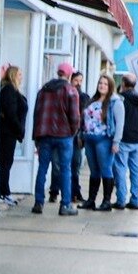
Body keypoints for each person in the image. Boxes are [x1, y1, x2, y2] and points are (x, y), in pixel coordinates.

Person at [31, 61, 82, 216]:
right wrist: (73, 132)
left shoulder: (44, 90)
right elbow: (75, 117)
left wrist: (37, 137)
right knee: (66, 169)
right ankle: (65, 204)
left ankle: (38, 202)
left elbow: (37, 114)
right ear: (69, 75)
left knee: (42, 168)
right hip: (64, 135)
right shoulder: (70, 91)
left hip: (45, 135)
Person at [80, 73, 120, 211]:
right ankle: (91, 200)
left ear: (110, 87)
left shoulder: (115, 102)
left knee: (105, 169)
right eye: (100, 83)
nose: (102, 86)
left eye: (105, 84)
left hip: (104, 140)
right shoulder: (92, 100)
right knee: (94, 170)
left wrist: (116, 142)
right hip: (89, 139)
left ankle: (106, 201)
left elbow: (120, 124)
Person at [112, 73, 138, 210]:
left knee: (120, 169)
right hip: (137, 139)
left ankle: (121, 199)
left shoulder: (121, 100)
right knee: (136, 171)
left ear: (123, 83)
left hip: (123, 139)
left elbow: (115, 119)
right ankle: (135, 200)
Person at [49, 69, 88, 203]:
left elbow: (84, 119)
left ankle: (74, 193)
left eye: (80, 81)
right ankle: (54, 190)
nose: (78, 83)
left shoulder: (84, 97)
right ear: (70, 80)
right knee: (57, 165)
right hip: (62, 134)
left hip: (76, 136)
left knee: (74, 165)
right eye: (76, 80)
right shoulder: (64, 93)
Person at [0, 65, 27, 206]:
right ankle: (3, 191)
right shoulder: (9, 90)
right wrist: (19, 129)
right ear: (13, 75)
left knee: (6, 162)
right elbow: (11, 113)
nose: (21, 77)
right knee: (5, 162)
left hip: (10, 132)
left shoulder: (12, 90)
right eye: (19, 74)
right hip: (8, 132)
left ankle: (3, 190)